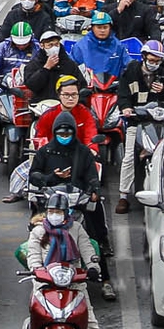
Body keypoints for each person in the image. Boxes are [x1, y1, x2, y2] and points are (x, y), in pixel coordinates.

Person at [22, 189, 112, 329]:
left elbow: (88, 250)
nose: (54, 215)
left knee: (91, 324)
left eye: (58, 211)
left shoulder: (77, 229)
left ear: (66, 213)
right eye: (51, 211)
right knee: (36, 314)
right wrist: (37, 270)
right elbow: (33, 256)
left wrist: (93, 267)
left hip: (74, 283)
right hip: (45, 283)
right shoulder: (38, 232)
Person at [28, 112, 113, 300]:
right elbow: (34, 175)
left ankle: (105, 280)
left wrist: (94, 190)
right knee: (35, 235)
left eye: (68, 133)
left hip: (77, 203)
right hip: (52, 203)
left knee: (93, 237)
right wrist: (52, 178)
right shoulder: (45, 152)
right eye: (60, 133)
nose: (64, 137)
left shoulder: (82, 152)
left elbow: (91, 175)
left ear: (74, 133)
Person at [115, 40, 164, 211]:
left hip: (160, 122)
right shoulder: (131, 72)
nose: (154, 64)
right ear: (144, 57)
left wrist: (163, 91)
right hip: (137, 122)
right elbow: (123, 94)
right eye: (151, 60)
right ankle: (123, 195)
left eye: (157, 61)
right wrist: (126, 108)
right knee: (128, 157)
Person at [70, 10, 127, 84]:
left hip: (114, 87)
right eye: (99, 27)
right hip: (88, 87)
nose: (102, 30)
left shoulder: (118, 45)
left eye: (105, 27)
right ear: (92, 28)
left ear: (110, 28)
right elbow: (72, 67)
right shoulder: (80, 46)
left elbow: (127, 64)